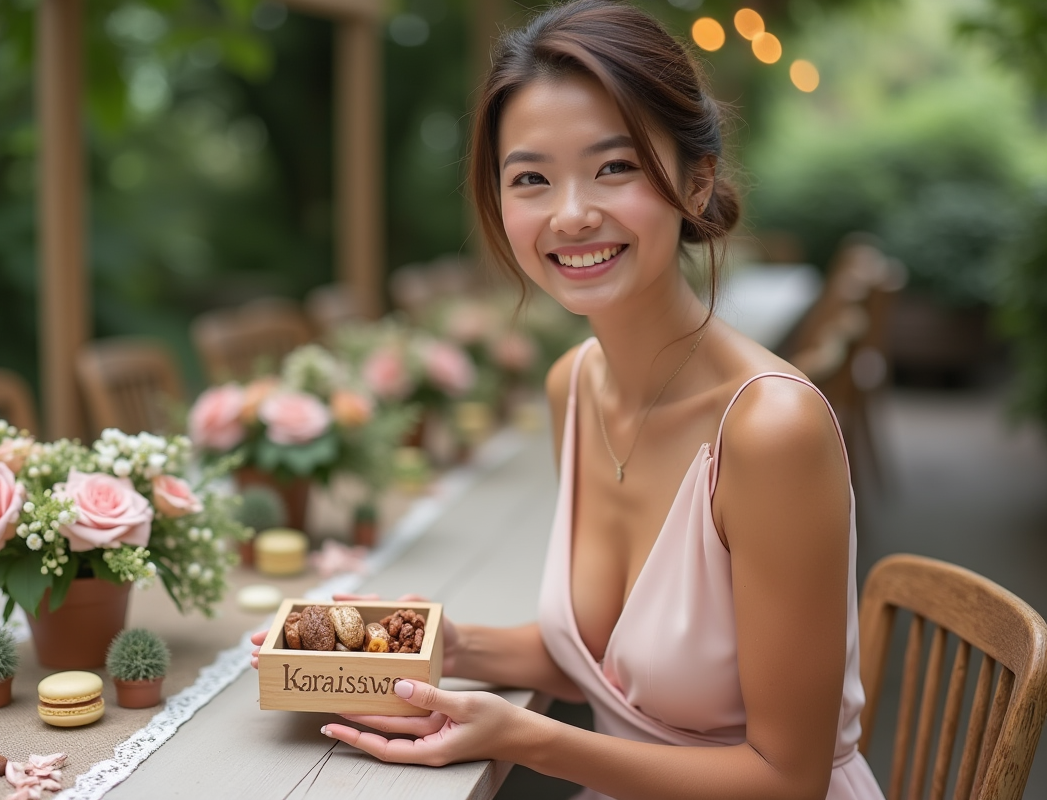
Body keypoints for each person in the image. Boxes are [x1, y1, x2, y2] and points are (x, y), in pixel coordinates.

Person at [253, 1, 885, 797]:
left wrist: (528, 738)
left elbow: (784, 779)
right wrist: (433, 646)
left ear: (696, 180)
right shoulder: (574, 385)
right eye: (531, 179)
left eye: (614, 167)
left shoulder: (770, 430)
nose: (572, 213)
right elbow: (608, 653)